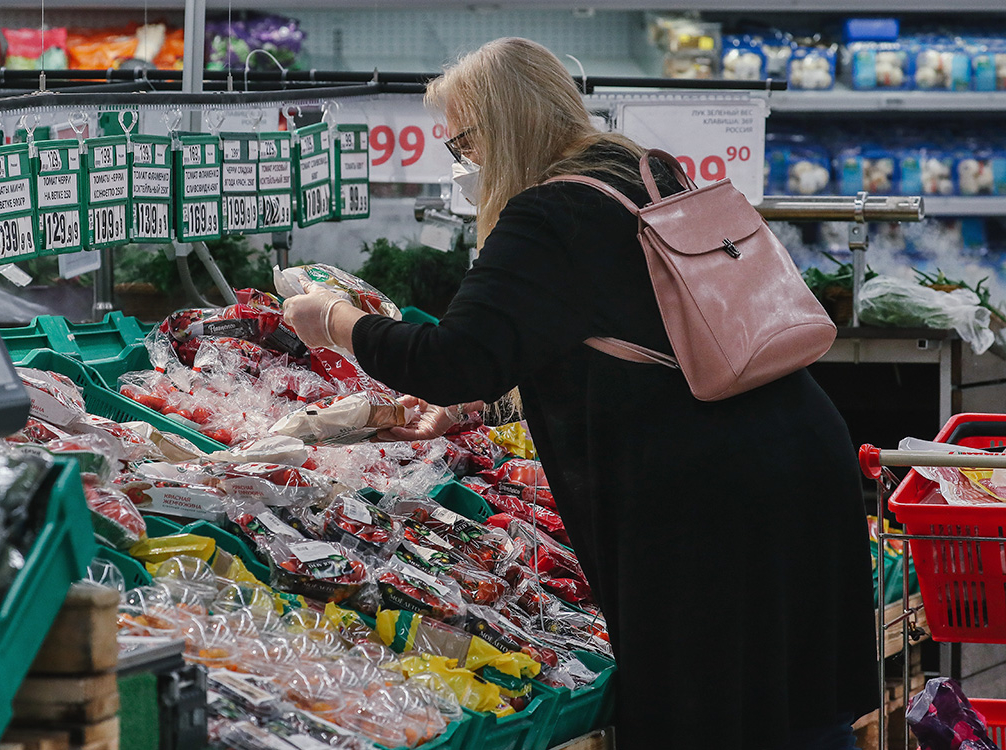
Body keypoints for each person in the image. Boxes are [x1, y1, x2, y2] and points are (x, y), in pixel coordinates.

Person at [284, 37, 877, 750]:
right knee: (798, 703)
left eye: (465, 143)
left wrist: (337, 322)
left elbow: (453, 358)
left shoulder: (549, 214)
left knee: (719, 715)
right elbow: (615, 341)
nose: (466, 164)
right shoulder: (642, 171)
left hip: (712, 502)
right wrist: (483, 410)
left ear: (503, 128)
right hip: (793, 450)